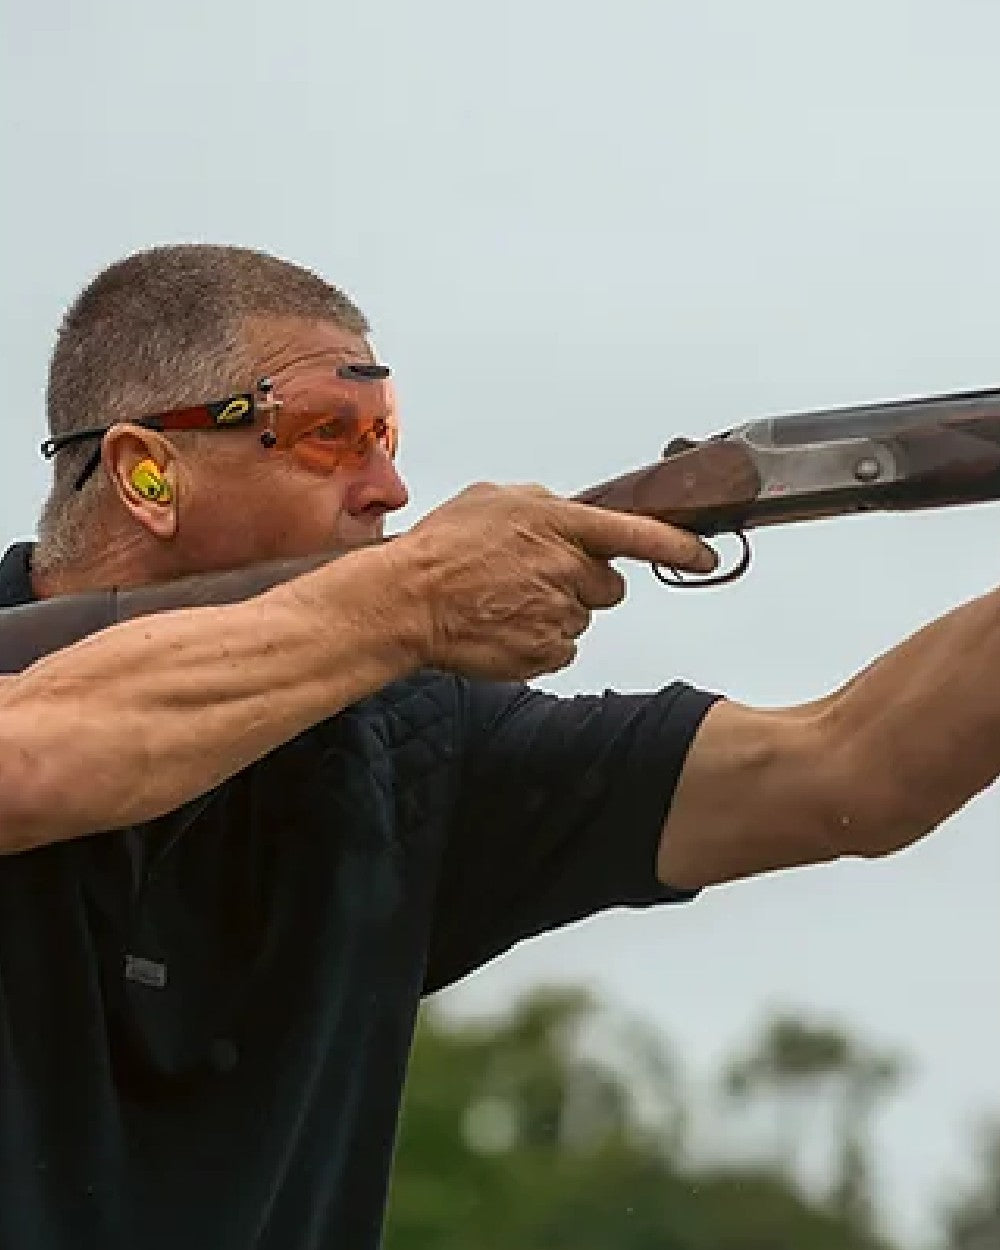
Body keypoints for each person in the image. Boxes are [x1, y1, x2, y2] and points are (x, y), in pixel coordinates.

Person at [0, 244, 995, 1250]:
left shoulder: (406, 743)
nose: (388, 487)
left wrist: (393, 622)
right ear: (145, 472)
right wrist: (409, 602)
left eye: (384, 432)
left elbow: (849, 770)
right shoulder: (378, 646)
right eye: (325, 434)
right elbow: (30, 762)